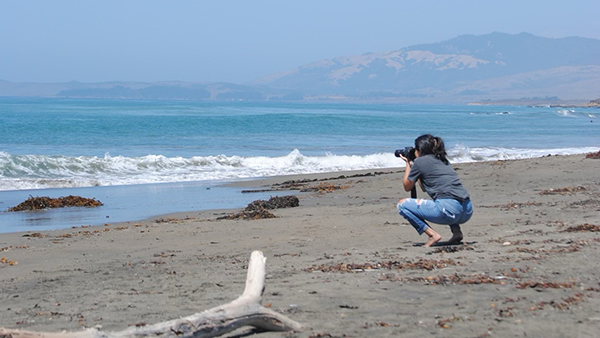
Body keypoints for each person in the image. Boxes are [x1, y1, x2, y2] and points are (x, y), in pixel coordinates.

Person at [396, 134, 473, 247]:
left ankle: (432, 235)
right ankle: (457, 232)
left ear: (420, 149)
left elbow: (407, 187)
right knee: (445, 197)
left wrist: (408, 163)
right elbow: (424, 187)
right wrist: (416, 169)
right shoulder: (442, 159)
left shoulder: (420, 162)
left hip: (449, 211)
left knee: (402, 205)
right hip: (467, 210)